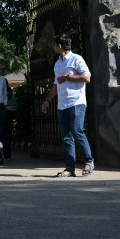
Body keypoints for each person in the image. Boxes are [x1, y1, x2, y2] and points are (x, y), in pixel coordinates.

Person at [40, 35, 94, 177]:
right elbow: (56, 85)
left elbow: (87, 78)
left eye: (54, 45)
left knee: (77, 131)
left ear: (59, 46)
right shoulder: (58, 64)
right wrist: (47, 101)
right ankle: (70, 168)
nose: (53, 47)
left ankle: (89, 161)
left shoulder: (76, 59)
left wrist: (68, 77)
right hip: (62, 104)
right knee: (66, 137)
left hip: (76, 102)